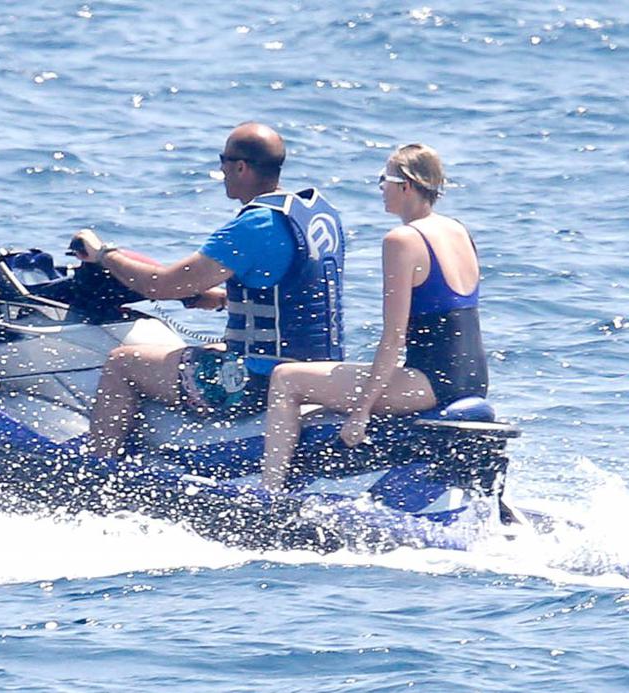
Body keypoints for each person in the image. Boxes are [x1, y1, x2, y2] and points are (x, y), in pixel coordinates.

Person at [71, 122, 345, 460]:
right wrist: (218, 300)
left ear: (240, 167)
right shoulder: (314, 216)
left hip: (256, 382)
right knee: (205, 349)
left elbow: (161, 284)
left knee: (122, 363)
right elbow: (294, 292)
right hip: (314, 375)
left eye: (223, 161)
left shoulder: (256, 225)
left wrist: (102, 254)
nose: (221, 171)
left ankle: (98, 469)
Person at [260, 143, 488, 492]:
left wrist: (361, 412)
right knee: (321, 398)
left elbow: (393, 337)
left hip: (428, 382)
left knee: (286, 380)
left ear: (405, 186)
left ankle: (269, 493)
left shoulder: (402, 240)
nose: (381, 188)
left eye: (385, 180)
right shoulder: (457, 230)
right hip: (473, 377)